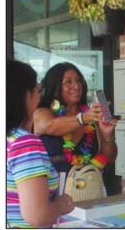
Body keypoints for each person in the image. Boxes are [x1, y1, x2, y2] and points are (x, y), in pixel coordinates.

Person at [6, 59, 75, 227]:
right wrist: (61, 204)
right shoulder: (24, 143)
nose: (39, 97)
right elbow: (38, 215)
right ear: (24, 95)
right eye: (37, 90)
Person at [33, 62, 118, 186]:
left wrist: (107, 136)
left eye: (79, 81)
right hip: (51, 191)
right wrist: (84, 117)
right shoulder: (42, 113)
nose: (76, 86)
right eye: (68, 82)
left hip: (86, 191)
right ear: (55, 89)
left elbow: (109, 158)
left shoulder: (91, 119)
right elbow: (51, 126)